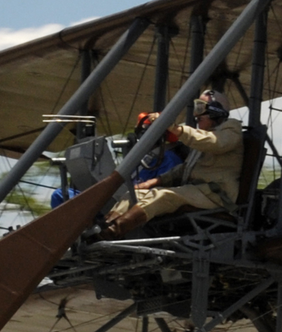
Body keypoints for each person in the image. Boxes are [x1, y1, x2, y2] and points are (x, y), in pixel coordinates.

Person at [103, 91, 241, 236]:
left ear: (215, 112)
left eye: (200, 108)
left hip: (215, 195)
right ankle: (105, 225)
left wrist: (176, 129)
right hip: (197, 191)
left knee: (163, 196)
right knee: (133, 194)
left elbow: (217, 143)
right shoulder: (202, 138)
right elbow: (184, 169)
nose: (196, 115)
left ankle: (113, 232)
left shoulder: (231, 129)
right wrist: (154, 182)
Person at [53, 114, 181, 208]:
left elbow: (163, 190)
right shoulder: (140, 158)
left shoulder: (169, 158)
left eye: (145, 132)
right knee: (61, 195)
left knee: (62, 196)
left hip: (134, 202)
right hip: (117, 197)